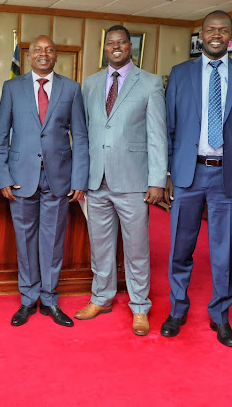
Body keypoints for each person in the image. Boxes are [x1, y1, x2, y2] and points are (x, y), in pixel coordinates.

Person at [161, 10, 232, 347]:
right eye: (210, 30)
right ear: (200, 35)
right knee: (180, 246)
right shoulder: (180, 73)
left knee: (224, 252)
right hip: (188, 174)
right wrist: (167, 173)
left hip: (227, 178)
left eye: (223, 30)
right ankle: (177, 309)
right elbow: (168, 128)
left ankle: (220, 316)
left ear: (231, 35)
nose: (216, 35)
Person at [74, 25, 167, 336]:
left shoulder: (150, 83)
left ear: (130, 47)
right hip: (96, 180)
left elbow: (157, 136)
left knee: (137, 247)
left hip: (133, 181)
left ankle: (140, 306)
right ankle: (101, 297)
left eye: (121, 43)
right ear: (105, 48)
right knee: (99, 246)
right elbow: (84, 134)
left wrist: (157, 180)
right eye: (110, 43)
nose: (115, 47)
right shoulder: (90, 83)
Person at [0, 35, 89, 327]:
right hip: (21, 179)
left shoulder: (71, 89)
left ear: (56, 56)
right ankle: (27, 300)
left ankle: (49, 300)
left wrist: (80, 179)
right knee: (25, 241)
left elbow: (81, 137)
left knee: (53, 242)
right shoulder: (12, 87)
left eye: (49, 50)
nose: (43, 54)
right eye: (38, 50)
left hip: (59, 179)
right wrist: (3, 177)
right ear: (29, 55)